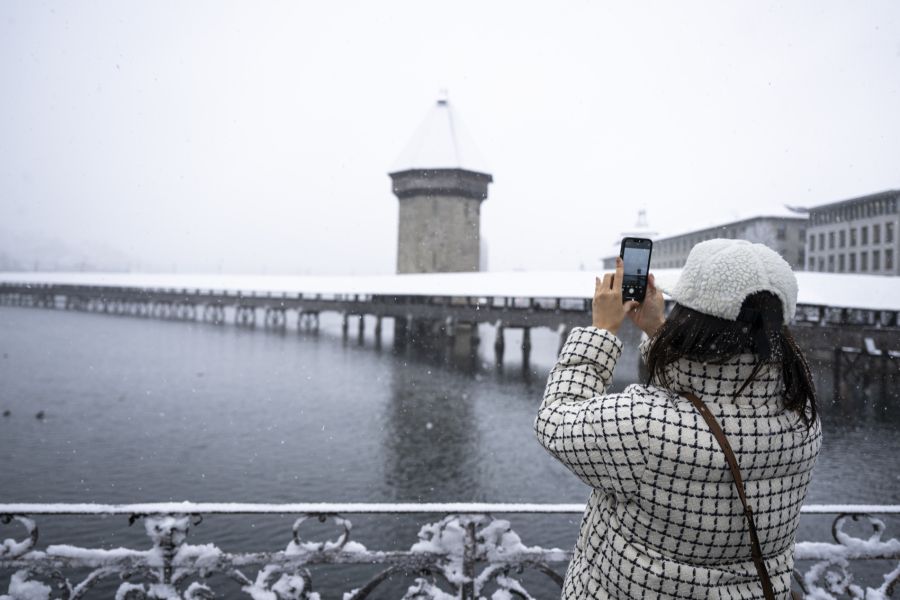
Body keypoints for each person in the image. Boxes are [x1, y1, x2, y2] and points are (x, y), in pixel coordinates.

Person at [534, 239, 822, 599]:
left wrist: (601, 332)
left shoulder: (646, 428)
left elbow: (556, 418)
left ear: (690, 317)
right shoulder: (802, 420)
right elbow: (710, 396)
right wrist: (657, 330)